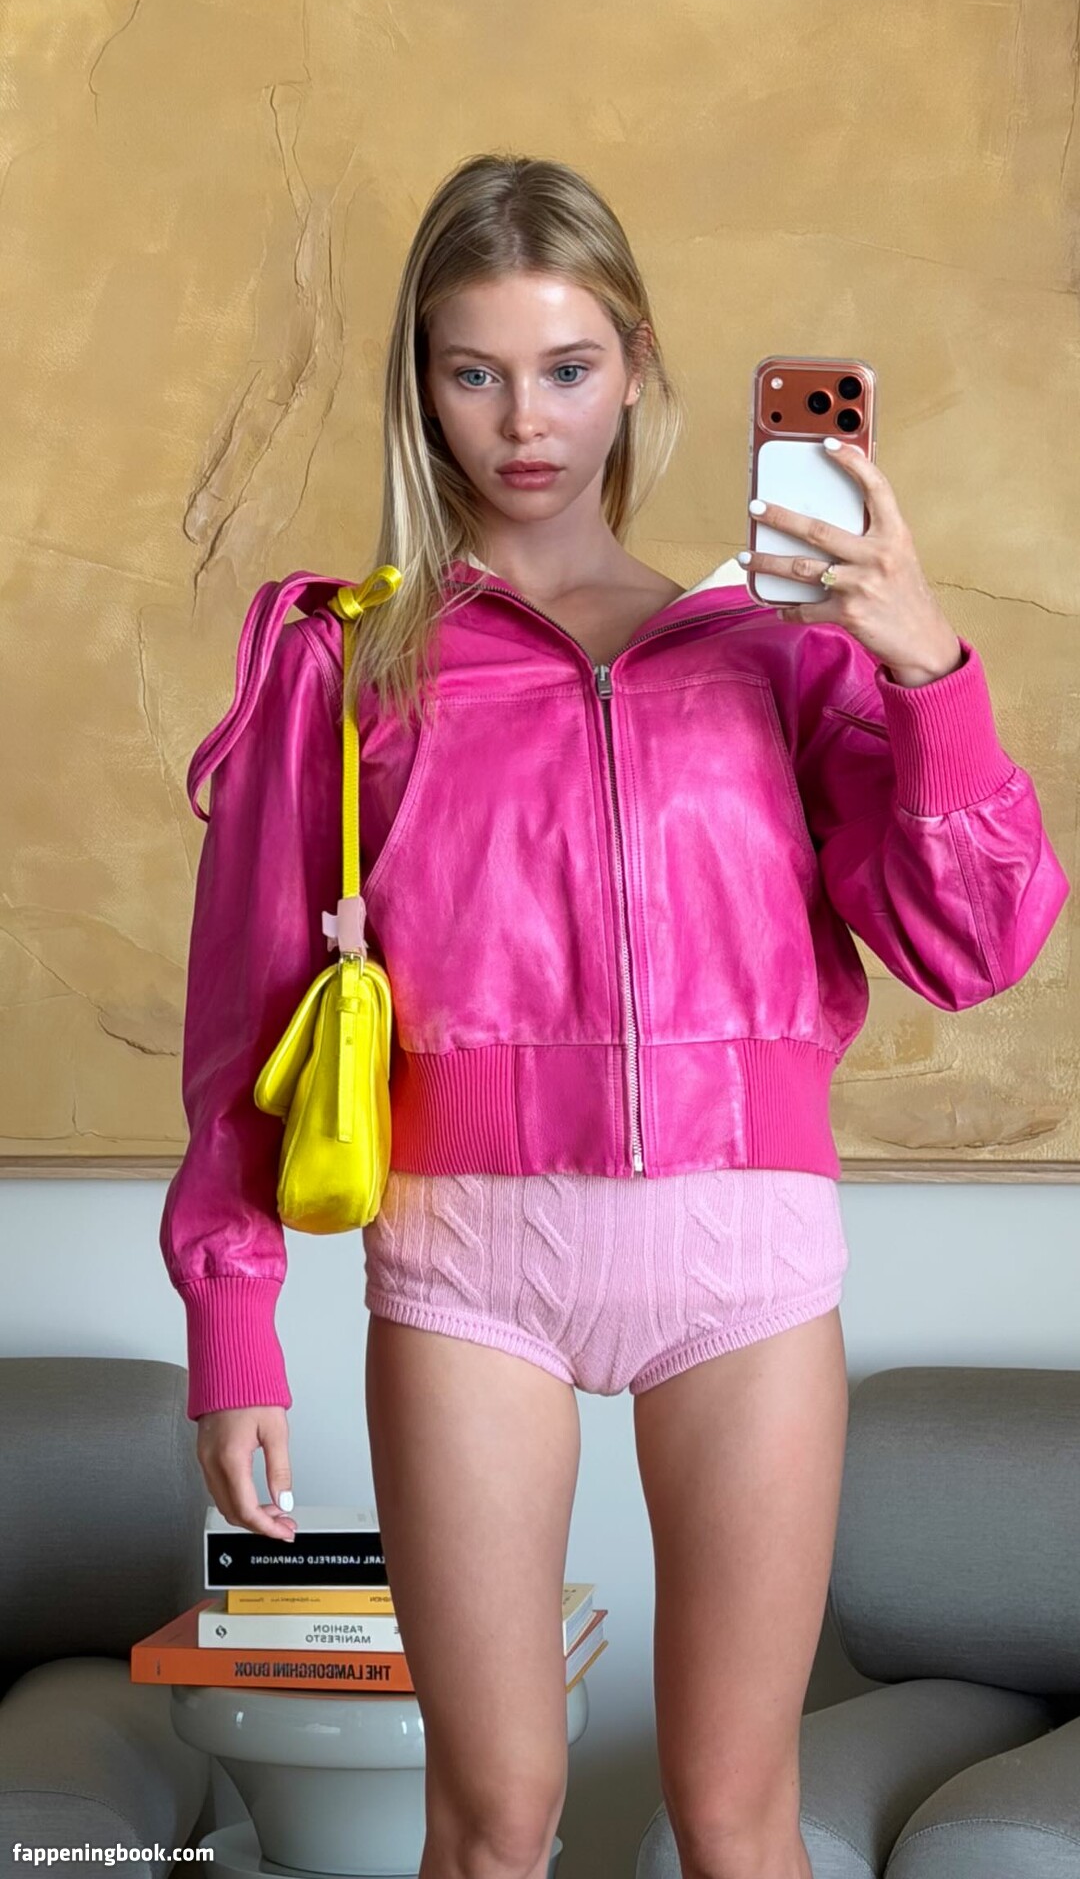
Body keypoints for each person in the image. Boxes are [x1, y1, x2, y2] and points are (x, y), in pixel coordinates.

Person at [161, 154, 1070, 1879]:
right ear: (421, 383)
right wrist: (234, 1326)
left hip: (744, 1257)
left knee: (736, 1819)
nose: (526, 422)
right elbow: (246, 1015)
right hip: (466, 1258)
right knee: (491, 1819)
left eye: (568, 368)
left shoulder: (780, 651)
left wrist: (925, 668)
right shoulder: (347, 659)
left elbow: (977, 945)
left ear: (638, 366)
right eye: (475, 371)